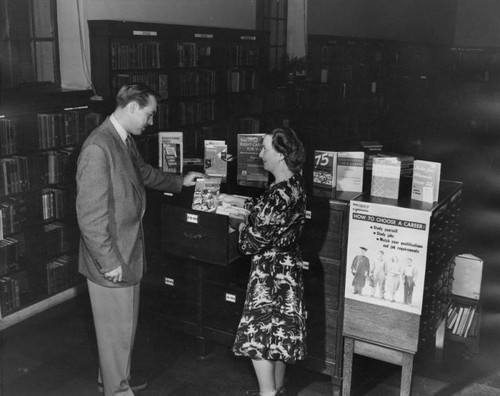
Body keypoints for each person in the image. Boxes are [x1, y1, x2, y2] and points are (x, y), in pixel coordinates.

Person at [76, 83, 203, 396]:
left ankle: (113, 378)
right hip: (112, 259)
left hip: (127, 251)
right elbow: (90, 217)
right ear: (132, 107)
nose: (151, 121)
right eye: (148, 114)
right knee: (115, 331)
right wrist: (108, 262)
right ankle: (117, 391)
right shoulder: (98, 147)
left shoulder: (121, 139)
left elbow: (142, 172)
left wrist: (179, 181)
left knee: (122, 329)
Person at [219, 127, 307, 396]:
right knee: (278, 337)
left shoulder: (277, 195)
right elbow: (273, 222)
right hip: (288, 270)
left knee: (257, 336)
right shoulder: (294, 185)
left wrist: (239, 223)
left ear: (281, 155)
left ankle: (267, 393)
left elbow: (249, 243)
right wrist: (254, 214)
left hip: (269, 274)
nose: (260, 154)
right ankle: (277, 390)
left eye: (266, 149)